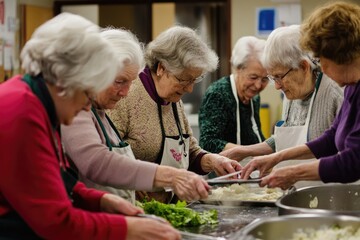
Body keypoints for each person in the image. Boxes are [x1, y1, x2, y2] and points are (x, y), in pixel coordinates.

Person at [0, 13, 180, 239]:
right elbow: (56, 222)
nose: (87, 107)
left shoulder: (36, 102)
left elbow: (55, 178)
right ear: (67, 79)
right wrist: (128, 229)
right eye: (87, 92)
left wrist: (101, 200)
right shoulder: (21, 112)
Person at [62, 28, 211, 204]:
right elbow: (96, 162)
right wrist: (171, 176)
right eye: (119, 82)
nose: (125, 93)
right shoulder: (75, 108)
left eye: (131, 83)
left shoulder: (100, 110)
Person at [108, 25, 241, 203]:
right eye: (184, 79)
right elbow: (106, 156)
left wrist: (213, 160)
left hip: (171, 207)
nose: (190, 88)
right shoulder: (126, 95)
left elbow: (188, 151)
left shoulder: (173, 100)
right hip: (133, 208)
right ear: (162, 68)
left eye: (194, 80)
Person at [241, 1, 360, 190]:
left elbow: (354, 160)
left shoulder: (342, 88)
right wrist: (276, 157)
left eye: (320, 60)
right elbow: (330, 138)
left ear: (341, 56)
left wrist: (293, 172)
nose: (320, 68)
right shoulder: (352, 87)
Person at [221, 26, 343, 179]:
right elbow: (283, 140)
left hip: (329, 193)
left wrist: (286, 166)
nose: (277, 86)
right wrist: (245, 150)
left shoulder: (335, 92)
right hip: (293, 191)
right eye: (273, 78)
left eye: (279, 76)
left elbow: (344, 153)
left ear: (304, 67)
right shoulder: (291, 92)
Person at [199, 36, 268, 154]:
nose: (258, 85)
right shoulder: (218, 94)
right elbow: (208, 142)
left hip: (248, 165)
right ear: (237, 69)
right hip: (223, 169)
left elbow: (256, 133)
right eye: (253, 77)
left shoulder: (254, 97)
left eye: (265, 79)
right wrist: (251, 151)